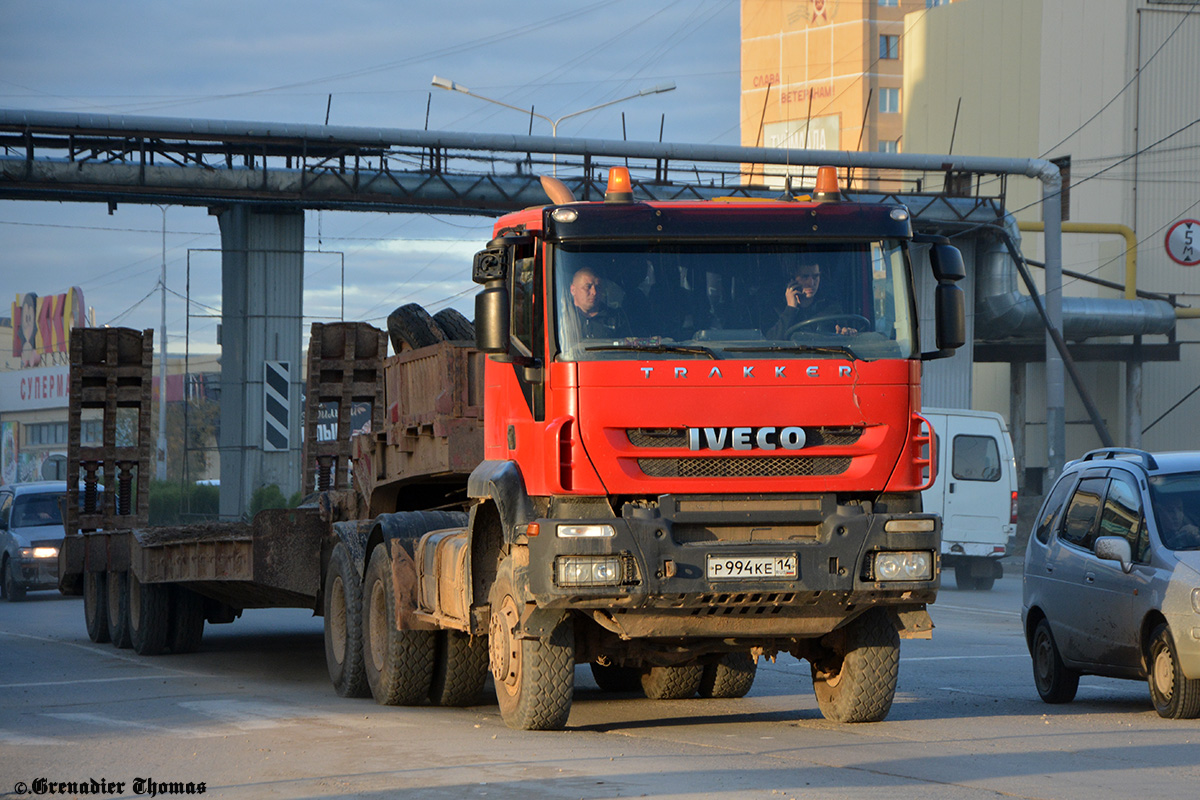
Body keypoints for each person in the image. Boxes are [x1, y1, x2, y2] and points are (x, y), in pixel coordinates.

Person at [765, 262, 857, 338]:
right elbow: (770, 343)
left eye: (815, 276)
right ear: (792, 280)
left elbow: (844, 337)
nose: (811, 283)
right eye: (805, 277)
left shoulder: (832, 309)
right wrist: (791, 309)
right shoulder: (776, 309)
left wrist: (845, 333)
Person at [568, 267, 631, 339]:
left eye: (598, 287)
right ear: (573, 290)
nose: (594, 292)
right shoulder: (563, 317)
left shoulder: (616, 319)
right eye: (588, 287)